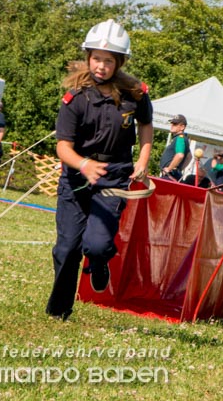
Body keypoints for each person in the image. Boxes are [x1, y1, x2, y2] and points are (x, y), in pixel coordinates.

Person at [45, 19, 153, 321]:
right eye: (96, 58)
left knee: (97, 244)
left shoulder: (136, 95)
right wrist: (83, 164)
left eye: (108, 60)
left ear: (119, 62)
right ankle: (59, 311)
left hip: (115, 174)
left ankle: (100, 260)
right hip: (77, 177)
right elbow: (63, 147)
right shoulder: (75, 99)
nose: (101, 66)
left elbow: (146, 125)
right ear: (88, 57)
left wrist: (143, 160)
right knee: (67, 249)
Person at [159, 114, 190, 180]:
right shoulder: (184, 139)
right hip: (174, 174)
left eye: (175, 124)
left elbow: (179, 155)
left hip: (170, 175)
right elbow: (189, 157)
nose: (172, 126)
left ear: (182, 127)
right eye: (172, 123)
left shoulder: (180, 138)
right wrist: (180, 169)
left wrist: (169, 168)